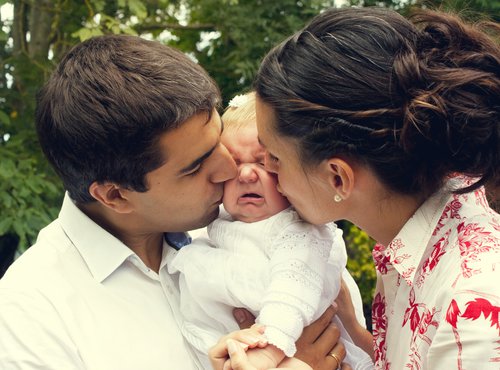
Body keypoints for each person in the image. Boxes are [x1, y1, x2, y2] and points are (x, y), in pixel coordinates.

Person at [0, 35, 346, 370]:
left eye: (218, 142)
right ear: (116, 195)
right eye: (196, 166)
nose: (229, 170)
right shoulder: (30, 314)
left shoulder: (260, 223)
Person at [210, 7, 500, 370]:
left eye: (274, 158)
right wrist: (353, 332)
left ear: (338, 179)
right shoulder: (414, 243)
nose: (263, 172)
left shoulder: (473, 310)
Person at [168, 92, 373, 370]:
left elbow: (293, 288)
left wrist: (269, 349)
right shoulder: (213, 225)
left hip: (279, 346)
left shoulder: (300, 231)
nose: (246, 174)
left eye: (263, 162)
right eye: (235, 162)